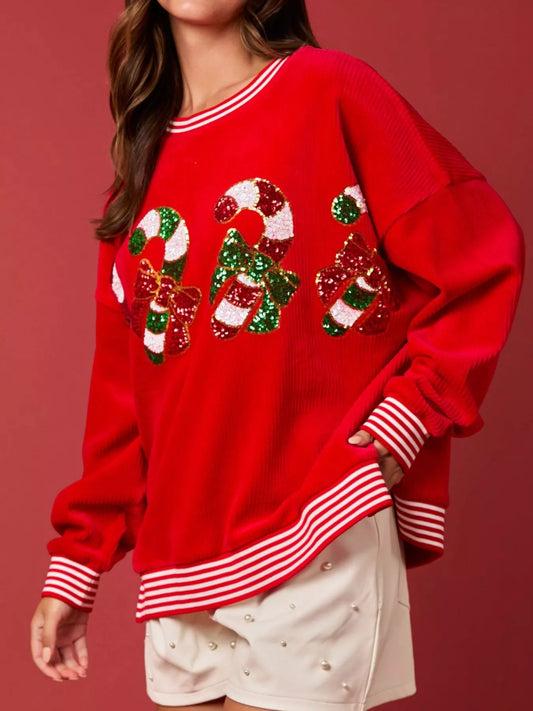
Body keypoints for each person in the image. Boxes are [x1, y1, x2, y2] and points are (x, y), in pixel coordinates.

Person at [30, 1, 525, 709]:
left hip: (317, 522)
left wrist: (407, 417)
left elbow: (478, 258)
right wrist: (78, 562)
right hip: (182, 562)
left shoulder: (331, 91)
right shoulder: (137, 176)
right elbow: (123, 403)